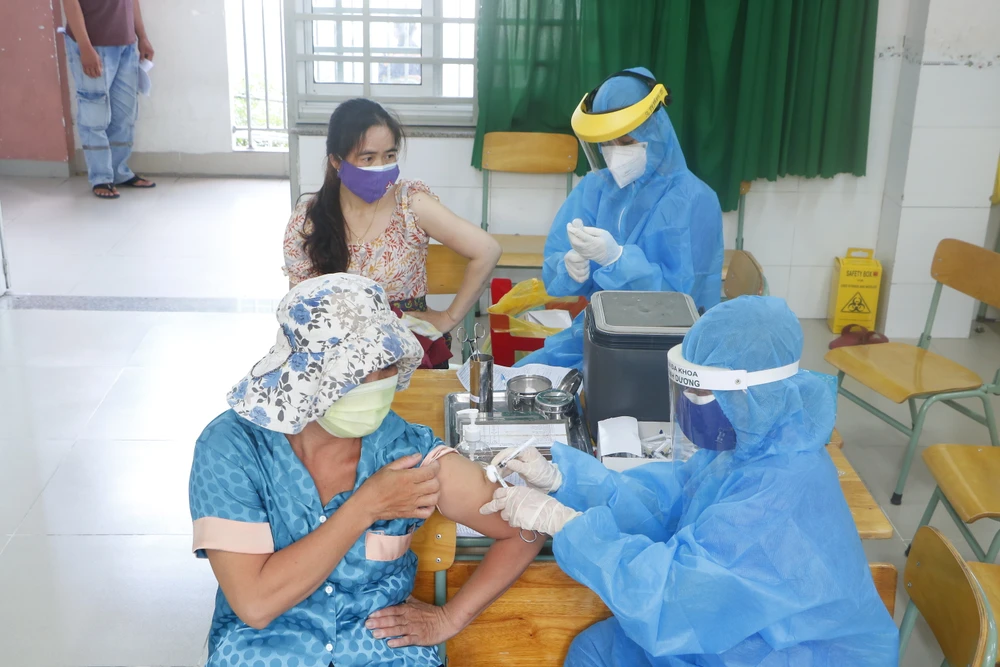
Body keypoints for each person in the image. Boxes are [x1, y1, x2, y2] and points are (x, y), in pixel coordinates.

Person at [482, 297, 899, 665]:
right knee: (596, 648)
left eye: (699, 394)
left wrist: (568, 526)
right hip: (730, 635)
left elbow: (671, 601)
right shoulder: (750, 448)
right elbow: (666, 504)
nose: (687, 406)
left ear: (748, 394)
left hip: (782, 653)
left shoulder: (778, 497)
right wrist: (564, 480)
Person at [189, 273, 543, 666]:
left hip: (380, 650)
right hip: (261, 650)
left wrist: (450, 618)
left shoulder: (406, 451)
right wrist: (366, 507)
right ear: (307, 376)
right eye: (356, 372)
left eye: (387, 364)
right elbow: (255, 604)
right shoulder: (232, 450)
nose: (378, 382)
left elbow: (526, 525)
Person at [517, 67, 724, 370]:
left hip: (665, 353)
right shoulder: (596, 188)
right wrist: (570, 267)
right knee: (525, 380)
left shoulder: (695, 200)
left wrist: (617, 260)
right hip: (598, 335)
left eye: (626, 143)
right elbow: (556, 271)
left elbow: (681, 305)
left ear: (655, 132)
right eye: (606, 144)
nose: (615, 155)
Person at [283, 98, 501, 345]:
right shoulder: (308, 220)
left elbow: (487, 250)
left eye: (389, 155)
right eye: (368, 158)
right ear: (336, 161)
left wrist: (448, 317)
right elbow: (298, 306)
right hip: (336, 348)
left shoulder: (411, 205)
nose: (381, 167)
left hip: (406, 347)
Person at [62, 0, 157, 199]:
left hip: (126, 45)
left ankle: (119, 172)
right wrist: (85, 47)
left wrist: (142, 37)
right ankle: (100, 178)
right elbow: (70, 3)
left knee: (124, 115)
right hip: (93, 45)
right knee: (94, 115)